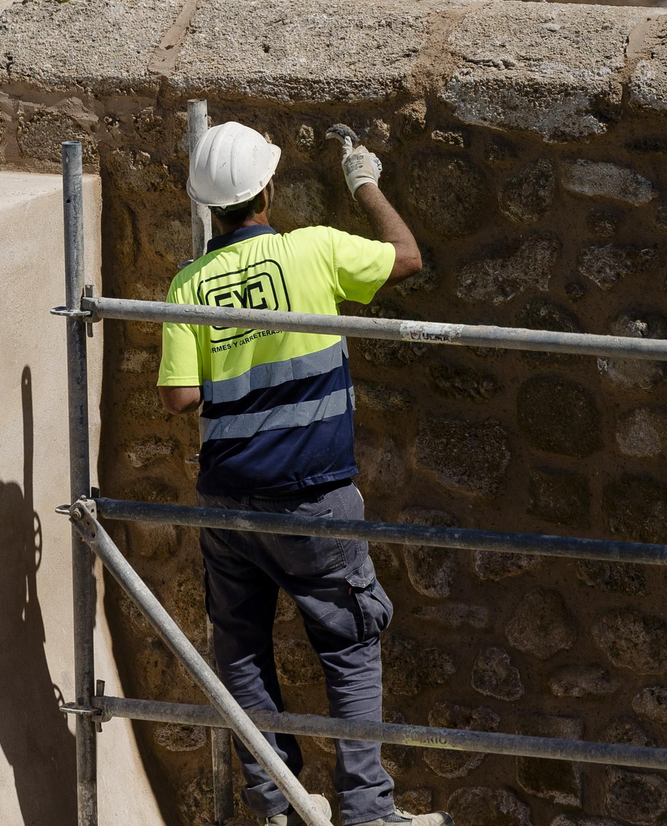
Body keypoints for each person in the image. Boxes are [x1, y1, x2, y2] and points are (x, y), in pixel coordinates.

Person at [157, 122, 446, 826]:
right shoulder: (312, 248)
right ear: (267, 189)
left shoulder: (188, 283)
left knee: (244, 653)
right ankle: (369, 813)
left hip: (226, 504)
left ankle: (279, 807)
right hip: (315, 497)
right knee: (348, 645)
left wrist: (239, 353)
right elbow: (407, 258)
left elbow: (179, 396)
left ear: (207, 206)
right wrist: (363, 180)